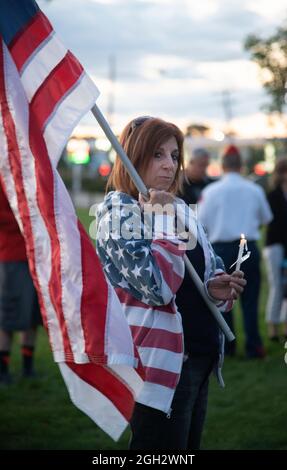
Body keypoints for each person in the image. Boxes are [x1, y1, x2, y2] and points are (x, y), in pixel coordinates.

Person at [96, 117, 246, 450]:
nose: (169, 165)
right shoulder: (119, 214)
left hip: (199, 356)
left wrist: (215, 289)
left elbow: (202, 272)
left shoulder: (180, 208)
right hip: (157, 369)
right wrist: (162, 220)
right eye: (157, 155)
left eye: (175, 155)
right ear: (133, 157)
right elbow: (157, 287)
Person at [198, 144, 273, 358]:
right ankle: (253, 346)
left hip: (221, 248)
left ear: (222, 165)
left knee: (223, 300)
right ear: (241, 166)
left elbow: (202, 223)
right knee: (250, 299)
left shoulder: (210, 191)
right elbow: (266, 219)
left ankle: (228, 348)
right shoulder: (254, 189)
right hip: (247, 245)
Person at [0, 181, 42, 383]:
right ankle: (3, 369)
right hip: (11, 257)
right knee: (8, 316)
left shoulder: (26, 172)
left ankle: (28, 367)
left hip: (35, 255)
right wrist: (25, 218)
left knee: (33, 317)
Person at [264, 157, 287, 340]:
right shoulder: (272, 195)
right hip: (275, 245)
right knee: (276, 286)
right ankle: (272, 327)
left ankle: (285, 325)